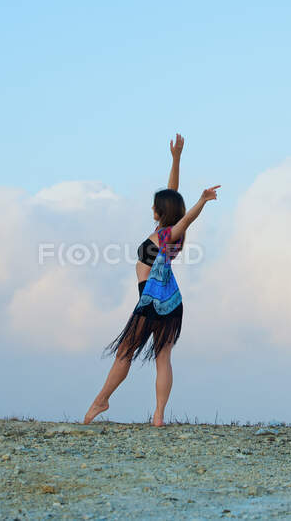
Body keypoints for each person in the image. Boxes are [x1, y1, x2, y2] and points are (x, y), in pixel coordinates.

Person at [83, 133, 220, 426]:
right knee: (162, 357)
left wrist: (202, 201)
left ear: (161, 213)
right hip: (170, 300)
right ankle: (158, 416)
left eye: (155, 207)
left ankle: (101, 400)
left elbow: (185, 218)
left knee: (125, 351)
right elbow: (173, 195)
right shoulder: (169, 233)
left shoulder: (169, 233)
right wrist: (176, 159)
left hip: (152, 300)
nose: (152, 209)